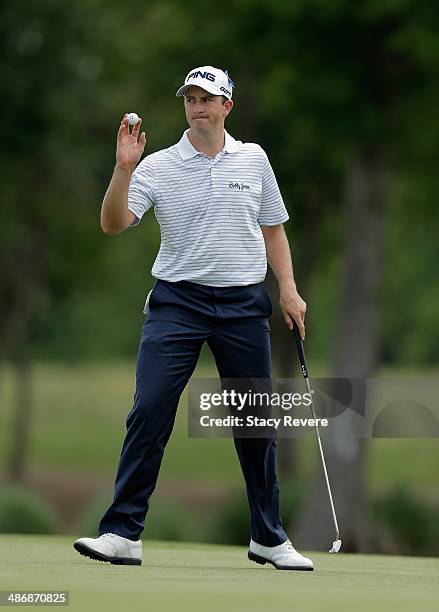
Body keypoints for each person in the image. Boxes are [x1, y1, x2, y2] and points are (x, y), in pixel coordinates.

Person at [73, 66, 313, 571]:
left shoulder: (254, 159)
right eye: (191, 99)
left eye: (208, 99)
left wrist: (288, 290)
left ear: (228, 106)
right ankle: (121, 533)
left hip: (244, 305)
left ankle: (268, 538)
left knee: (254, 421)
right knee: (150, 409)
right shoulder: (157, 166)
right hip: (177, 304)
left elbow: (273, 228)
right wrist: (123, 170)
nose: (198, 107)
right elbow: (112, 224)